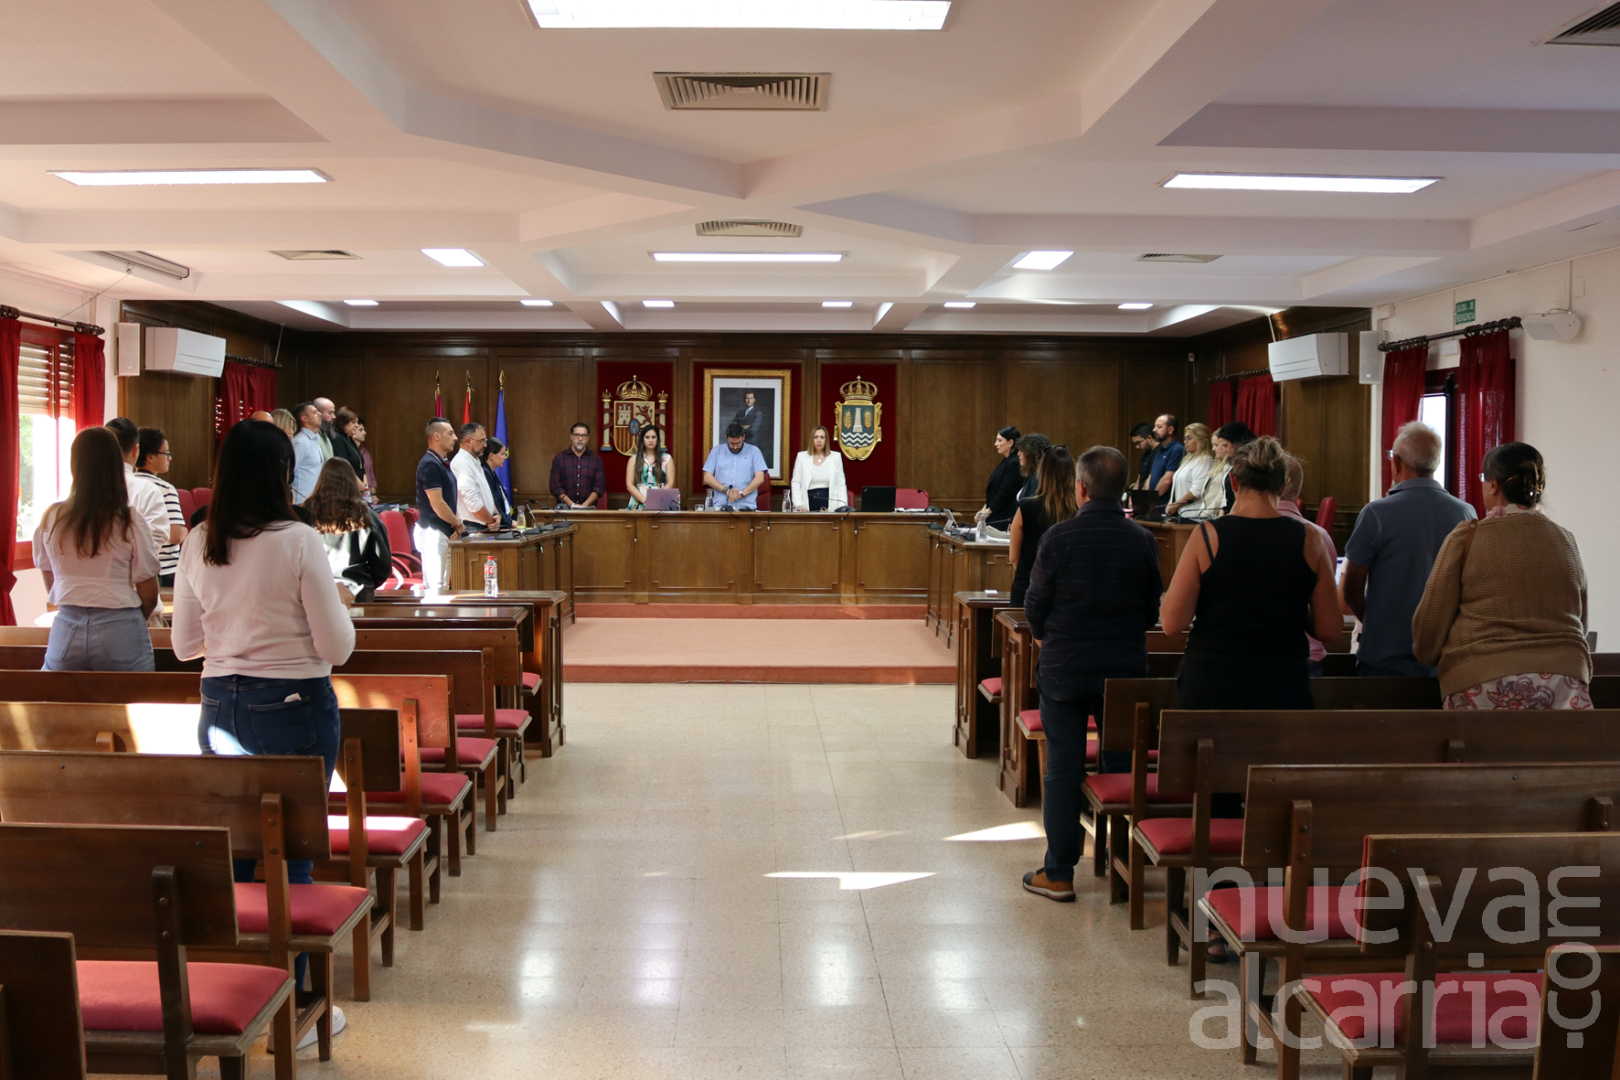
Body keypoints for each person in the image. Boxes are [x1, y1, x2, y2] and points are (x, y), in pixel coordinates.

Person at [171, 418, 355, 1042]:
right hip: (293, 704)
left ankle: (233, 997)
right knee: (291, 856)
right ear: (283, 474)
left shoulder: (201, 538)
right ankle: (291, 1014)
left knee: (236, 854)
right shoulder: (297, 540)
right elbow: (336, 647)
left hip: (218, 705)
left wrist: (236, 630)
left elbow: (183, 645)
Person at [1020, 446, 1161, 902]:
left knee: (1063, 768)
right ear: (1122, 490)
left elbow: (1035, 605)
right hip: (1123, 671)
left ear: (1081, 488)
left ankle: (1059, 872)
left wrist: (1046, 636)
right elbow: (1151, 610)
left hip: (1065, 666)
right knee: (1120, 767)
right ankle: (1122, 868)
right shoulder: (1142, 539)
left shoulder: (1059, 537)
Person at [1161, 437, 1342, 713]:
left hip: (1212, 681)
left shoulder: (1208, 536)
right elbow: (1330, 629)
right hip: (1281, 681)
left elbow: (1172, 622)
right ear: (1282, 485)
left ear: (1234, 481)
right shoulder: (1309, 538)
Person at [1413, 442, 1591, 710]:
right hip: (1565, 685)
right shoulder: (1566, 540)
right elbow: (1581, 623)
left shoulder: (1467, 537)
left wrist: (1426, 654)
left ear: (1493, 485)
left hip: (1481, 681)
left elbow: (1431, 622)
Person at [1342, 421, 1476, 678]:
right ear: (1436, 463)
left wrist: (1376, 624)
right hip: (1443, 661)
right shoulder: (1465, 513)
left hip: (1382, 660)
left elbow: (1350, 590)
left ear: (1396, 463)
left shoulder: (1376, 514)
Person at [34, 427, 161, 671]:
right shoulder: (129, 520)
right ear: (116, 464)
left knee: (57, 696)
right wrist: (130, 623)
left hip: (67, 626)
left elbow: (50, 579)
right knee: (136, 695)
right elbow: (149, 595)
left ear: (74, 465)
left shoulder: (52, 516)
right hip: (120, 627)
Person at [1275, 456, 1338, 676]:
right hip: (1307, 654)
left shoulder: (1239, 531)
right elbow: (1327, 612)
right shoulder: (1320, 536)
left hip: (1253, 656)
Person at [302, 458, 393, 602]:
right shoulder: (367, 516)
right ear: (352, 483)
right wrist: (366, 583)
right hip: (357, 594)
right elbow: (383, 566)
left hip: (315, 593)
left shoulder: (304, 514)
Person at [1008, 445, 1079, 606]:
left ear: (1042, 473)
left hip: (1028, 586)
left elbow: (1014, 557)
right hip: (1068, 591)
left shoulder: (1026, 507)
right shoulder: (1079, 510)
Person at [106, 417, 174, 551]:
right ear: (135, 450)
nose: (169, 458)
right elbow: (155, 540)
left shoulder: (84, 489)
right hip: (134, 562)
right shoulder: (148, 490)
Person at [135, 427, 187, 585]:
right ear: (150, 457)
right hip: (165, 570)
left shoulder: (125, 484)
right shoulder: (165, 489)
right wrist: (185, 531)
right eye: (166, 453)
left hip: (135, 568)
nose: (169, 458)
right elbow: (174, 536)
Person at [414, 418, 461, 590]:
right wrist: (458, 523)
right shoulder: (430, 464)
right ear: (437, 437)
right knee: (436, 587)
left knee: (444, 587)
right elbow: (438, 504)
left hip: (444, 529)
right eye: (450, 433)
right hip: (433, 531)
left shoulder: (440, 463)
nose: (455, 438)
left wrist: (454, 524)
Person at [702, 424, 768, 510]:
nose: (735, 447)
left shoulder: (754, 451)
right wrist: (727, 490)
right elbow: (707, 477)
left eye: (738, 443)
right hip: (721, 506)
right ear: (726, 437)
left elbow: (760, 478)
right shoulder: (716, 451)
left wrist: (741, 494)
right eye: (732, 443)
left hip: (746, 506)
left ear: (743, 437)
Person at [1165, 422, 1216, 521]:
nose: (1185, 442)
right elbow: (1176, 486)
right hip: (1181, 513)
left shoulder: (1205, 460)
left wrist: (1175, 505)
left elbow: (1197, 490)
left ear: (1200, 440)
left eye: (1189, 438)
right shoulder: (1188, 459)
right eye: (1185, 438)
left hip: (1193, 514)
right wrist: (1171, 503)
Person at [790, 425, 848, 511]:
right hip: (807, 503)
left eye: (822, 437)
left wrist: (842, 508)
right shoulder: (801, 457)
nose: (819, 440)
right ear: (812, 440)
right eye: (816, 437)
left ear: (826, 440)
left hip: (829, 503)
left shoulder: (836, 457)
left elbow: (840, 484)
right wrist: (799, 506)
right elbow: (796, 483)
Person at [450, 422, 496, 531]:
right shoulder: (462, 462)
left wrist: (496, 514)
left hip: (483, 524)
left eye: (485, 440)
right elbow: (472, 501)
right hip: (472, 527)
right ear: (468, 441)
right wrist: (491, 521)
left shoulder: (474, 460)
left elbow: (486, 495)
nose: (485, 445)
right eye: (481, 441)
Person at [549, 422, 605, 509]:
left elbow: (598, 488)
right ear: (571, 437)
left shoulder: (596, 460)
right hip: (564, 511)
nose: (580, 438)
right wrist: (572, 505)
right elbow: (555, 487)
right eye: (576, 435)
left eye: (584, 436)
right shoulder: (559, 459)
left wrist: (583, 507)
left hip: (589, 511)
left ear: (588, 438)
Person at [981, 425, 1023, 529]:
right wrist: (983, 510)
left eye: (1000, 441)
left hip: (1003, 516)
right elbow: (994, 491)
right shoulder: (1006, 460)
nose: (996, 444)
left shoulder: (1014, 462)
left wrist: (988, 511)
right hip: (995, 513)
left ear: (1011, 442)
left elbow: (1006, 491)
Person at [1211, 421, 1256, 515]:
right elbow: (1225, 499)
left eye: (1226, 445)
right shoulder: (1233, 465)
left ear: (1236, 444)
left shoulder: (1248, 466)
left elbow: (1240, 499)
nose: (1224, 450)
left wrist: (1230, 518)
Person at [625, 424, 675, 509]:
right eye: (647, 437)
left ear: (658, 439)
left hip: (661, 500)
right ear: (642, 439)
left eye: (653, 437)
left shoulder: (667, 458)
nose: (650, 440)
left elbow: (670, 483)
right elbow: (629, 485)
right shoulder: (633, 459)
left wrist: (656, 500)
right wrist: (645, 501)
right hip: (639, 501)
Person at [1147, 413, 1184, 508]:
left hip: (1164, 506)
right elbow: (1151, 476)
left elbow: (1167, 480)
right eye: (1155, 426)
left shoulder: (1177, 450)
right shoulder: (1160, 450)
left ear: (1170, 430)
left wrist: (1151, 501)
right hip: (1154, 505)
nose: (1154, 430)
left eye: (1159, 427)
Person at [290, 402, 324, 504]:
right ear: (304, 418)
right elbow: (290, 471)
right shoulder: (300, 442)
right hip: (301, 502)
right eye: (314, 412)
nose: (319, 414)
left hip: (313, 502)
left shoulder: (314, 440)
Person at [481, 437, 514, 527]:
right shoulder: (485, 472)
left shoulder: (491, 472)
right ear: (492, 456)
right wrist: (511, 523)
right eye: (502, 454)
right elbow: (494, 502)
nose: (505, 457)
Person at [330, 407, 367, 482]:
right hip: (347, 484)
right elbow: (344, 468)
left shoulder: (349, 439)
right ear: (343, 422)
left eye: (357, 422)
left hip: (358, 486)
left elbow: (361, 467)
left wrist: (366, 487)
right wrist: (361, 486)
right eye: (353, 422)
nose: (356, 425)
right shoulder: (337, 438)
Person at [1015, 433, 1052, 500]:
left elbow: (1033, 504)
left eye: (1022, 451)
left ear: (1032, 454)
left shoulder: (1037, 477)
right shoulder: (1031, 475)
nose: (1018, 454)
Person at [353, 416, 378, 500]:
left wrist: (373, 494)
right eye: (361, 430)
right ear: (353, 432)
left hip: (368, 496)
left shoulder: (366, 453)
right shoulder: (349, 453)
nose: (365, 433)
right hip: (356, 495)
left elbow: (371, 476)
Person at [1129, 423, 1156, 490]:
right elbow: (1139, 478)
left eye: (1139, 443)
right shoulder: (1145, 455)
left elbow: (1150, 481)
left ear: (1150, 438)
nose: (1137, 447)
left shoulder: (1159, 454)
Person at [313, 397, 337, 461]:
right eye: (330, 413)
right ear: (318, 413)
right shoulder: (312, 437)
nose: (334, 417)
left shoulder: (325, 435)